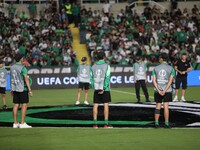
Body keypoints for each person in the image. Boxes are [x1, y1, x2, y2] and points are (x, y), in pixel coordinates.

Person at [152, 53, 175, 128]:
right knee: (166, 106)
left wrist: (158, 90)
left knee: (158, 106)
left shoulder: (155, 68)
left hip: (158, 90)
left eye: (159, 58)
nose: (159, 59)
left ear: (162, 59)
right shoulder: (171, 68)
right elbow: (170, 81)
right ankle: (166, 123)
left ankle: (156, 123)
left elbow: (154, 81)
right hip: (167, 90)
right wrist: (165, 90)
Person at [10, 54, 33, 128]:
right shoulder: (23, 68)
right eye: (22, 58)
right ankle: (22, 123)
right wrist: (29, 90)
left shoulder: (12, 67)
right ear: (20, 59)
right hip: (22, 88)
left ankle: (15, 123)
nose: (23, 59)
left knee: (16, 105)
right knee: (24, 104)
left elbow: (11, 79)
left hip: (15, 88)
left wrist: (11, 89)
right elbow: (26, 79)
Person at [91, 51, 112, 128]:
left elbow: (91, 79)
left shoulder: (93, 66)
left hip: (96, 89)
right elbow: (107, 78)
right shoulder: (107, 66)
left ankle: (95, 124)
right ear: (104, 57)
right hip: (105, 89)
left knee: (95, 105)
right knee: (106, 105)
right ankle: (106, 124)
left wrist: (96, 88)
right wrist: (103, 88)